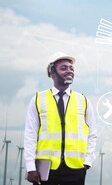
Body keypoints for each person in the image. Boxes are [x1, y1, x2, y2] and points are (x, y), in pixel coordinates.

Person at [24, 52, 97, 185]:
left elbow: (92, 134)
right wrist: (30, 167)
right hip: (45, 169)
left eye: (71, 68)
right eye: (63, 68)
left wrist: (88, 161)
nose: (69, 71)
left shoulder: (84, 101)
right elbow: (30, 134)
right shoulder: (38, 99)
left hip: (76, 169)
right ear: (52, 72)